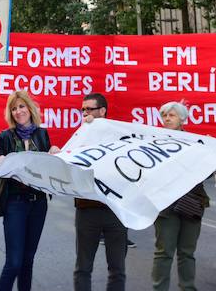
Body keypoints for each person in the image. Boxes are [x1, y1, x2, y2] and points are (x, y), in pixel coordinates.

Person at [0, 91, 57, 291]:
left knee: (28, 261)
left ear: (30, 109)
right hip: (15, 203)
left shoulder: (42, 134)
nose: (18, 111)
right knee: (14, 262)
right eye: (14, 108)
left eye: (21, 106)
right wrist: (1, 161)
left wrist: (54, 154)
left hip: (38, 203)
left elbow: (48, 167)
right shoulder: (4, 137)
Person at [151, 102, 209, 291]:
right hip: (165, 205)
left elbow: (206, 172)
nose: (167, 119)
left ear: (182, 119)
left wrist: (208, 152)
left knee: (187, 252)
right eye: (165, 115)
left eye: (172, 115)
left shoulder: (196, 142)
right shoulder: (153, 141)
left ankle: (188, 287)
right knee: (164, 252)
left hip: (192, 203)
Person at [74, 92, 127, 291]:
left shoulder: (119, 135)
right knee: (83, 267)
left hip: (115, 210)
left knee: (117, 269)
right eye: (83, 110)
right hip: (87, 209)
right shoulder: (78, 136)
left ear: (102, 111)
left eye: (90, 109)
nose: (85, 114)